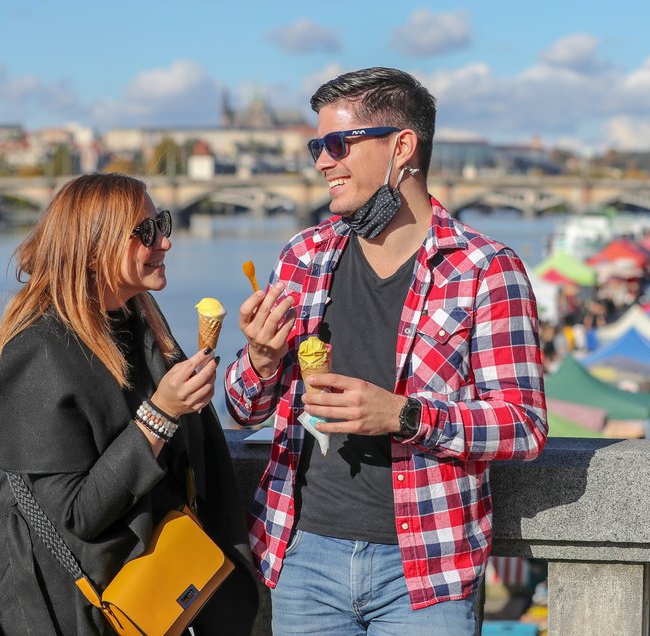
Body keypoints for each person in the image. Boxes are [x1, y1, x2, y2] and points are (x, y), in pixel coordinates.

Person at [225, 67, 548, 634]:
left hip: (425, 569)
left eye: (337, 144)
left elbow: (523, 426)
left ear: (402, 147)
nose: (322, 162)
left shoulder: (485, 270)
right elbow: (242, 408)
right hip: (303, 557)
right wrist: (260, 360)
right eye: (315, 146)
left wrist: (401, 415)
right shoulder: (304, 256)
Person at [0, 174, 258, 635]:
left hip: (164, 594)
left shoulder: (140, 327)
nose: (165, 240)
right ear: (92, 248)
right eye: (146, 231)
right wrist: (161, 414)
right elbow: (76, 515)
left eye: (161, 223)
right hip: (87, 609)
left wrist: (258, 360)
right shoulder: (40, 350)